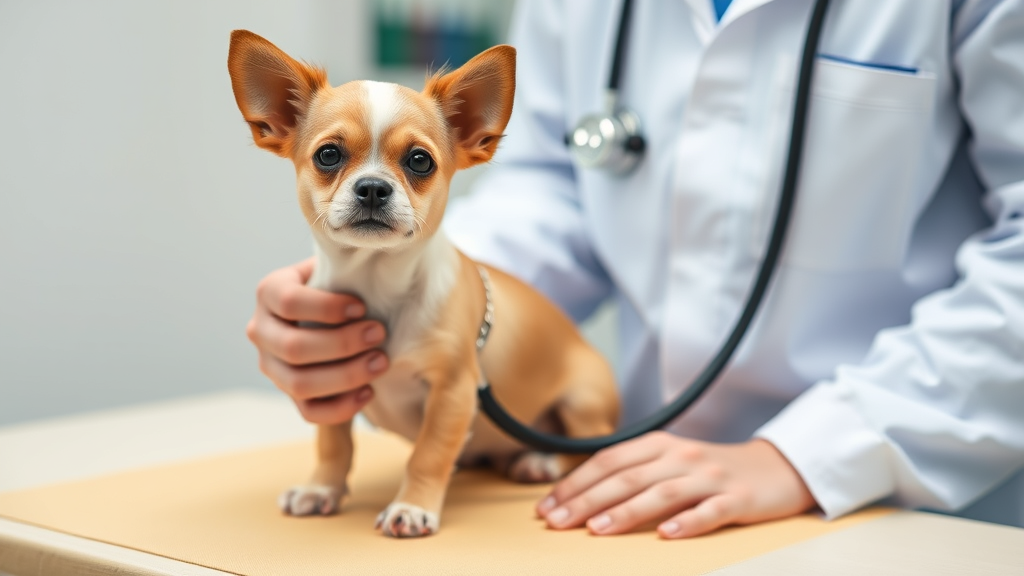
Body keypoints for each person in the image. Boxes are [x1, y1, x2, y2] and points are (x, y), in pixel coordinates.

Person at [245, 0, 1024, 538]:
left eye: (413, 163)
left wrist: (817, 450)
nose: (375, 181)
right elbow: (556, 182)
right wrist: (402, 296)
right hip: (622, 478)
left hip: (921, 488)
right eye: (333, 158)